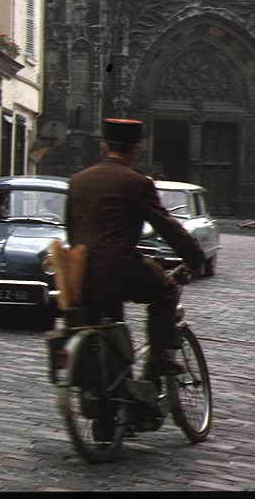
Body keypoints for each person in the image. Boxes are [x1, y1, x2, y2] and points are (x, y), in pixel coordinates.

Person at [66, 118, 206, 378]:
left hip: (83, 269)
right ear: (136, 148)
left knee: (104, 322)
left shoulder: (78, 180)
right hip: (119, 266)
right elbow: (166, 226)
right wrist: (195, 257)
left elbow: (72, 230)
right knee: (165, 291)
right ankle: (158, 358)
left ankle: (108, 394)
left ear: (104, 146)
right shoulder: (137, 182)